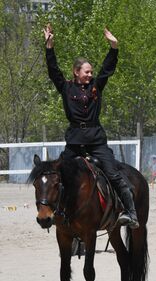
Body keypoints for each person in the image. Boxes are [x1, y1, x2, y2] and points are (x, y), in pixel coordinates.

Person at [44, 24, 139, 229]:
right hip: (74, 141)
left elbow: (107, 69)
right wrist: (49, 48)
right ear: (76, 72)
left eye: (90, 72)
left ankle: (130, 212)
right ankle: (59, 214)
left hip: (96, 140)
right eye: (86, 72)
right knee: (58, 175)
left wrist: (114, 48)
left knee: (113, 173)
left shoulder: (96, 86)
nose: (89, 75)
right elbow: (53, 71)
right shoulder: (66, 87)